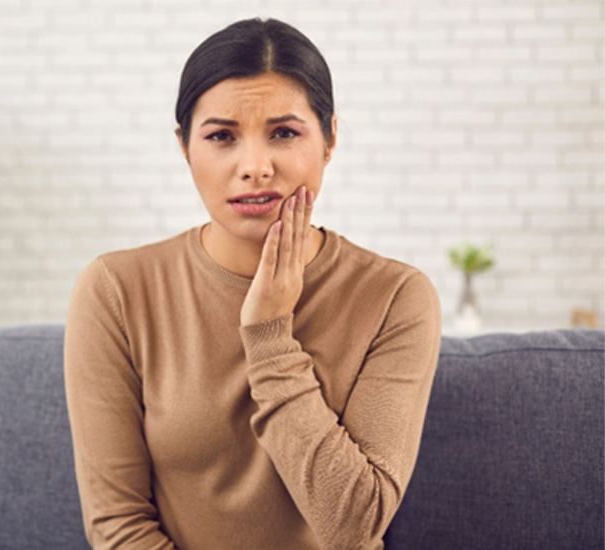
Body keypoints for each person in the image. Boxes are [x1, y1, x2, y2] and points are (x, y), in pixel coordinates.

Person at [64, 16, 442, 550]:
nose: (255, 167)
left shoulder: (396, 297)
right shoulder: (115, 291)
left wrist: (269, 335)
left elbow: (355, 525)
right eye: (221, 136)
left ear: (330, 139)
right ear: (185, 148)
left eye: (284, 133)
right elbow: (117, 528)